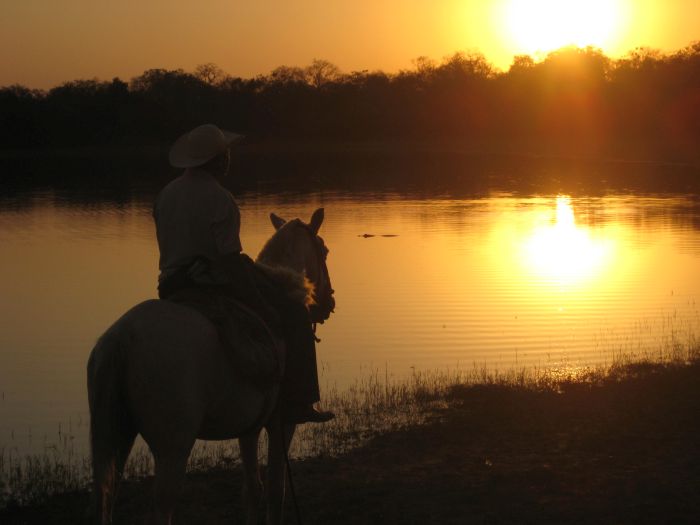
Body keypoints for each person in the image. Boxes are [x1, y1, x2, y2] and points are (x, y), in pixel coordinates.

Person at [153, 123, 334, 424]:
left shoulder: (165, 194)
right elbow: (228, 260)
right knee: (294, 313)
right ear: (217, 159)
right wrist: (261, 301)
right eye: (226, 154)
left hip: (170, 285)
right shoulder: (220, 198)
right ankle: (301, 401)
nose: (229, 159)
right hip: (210, 283)